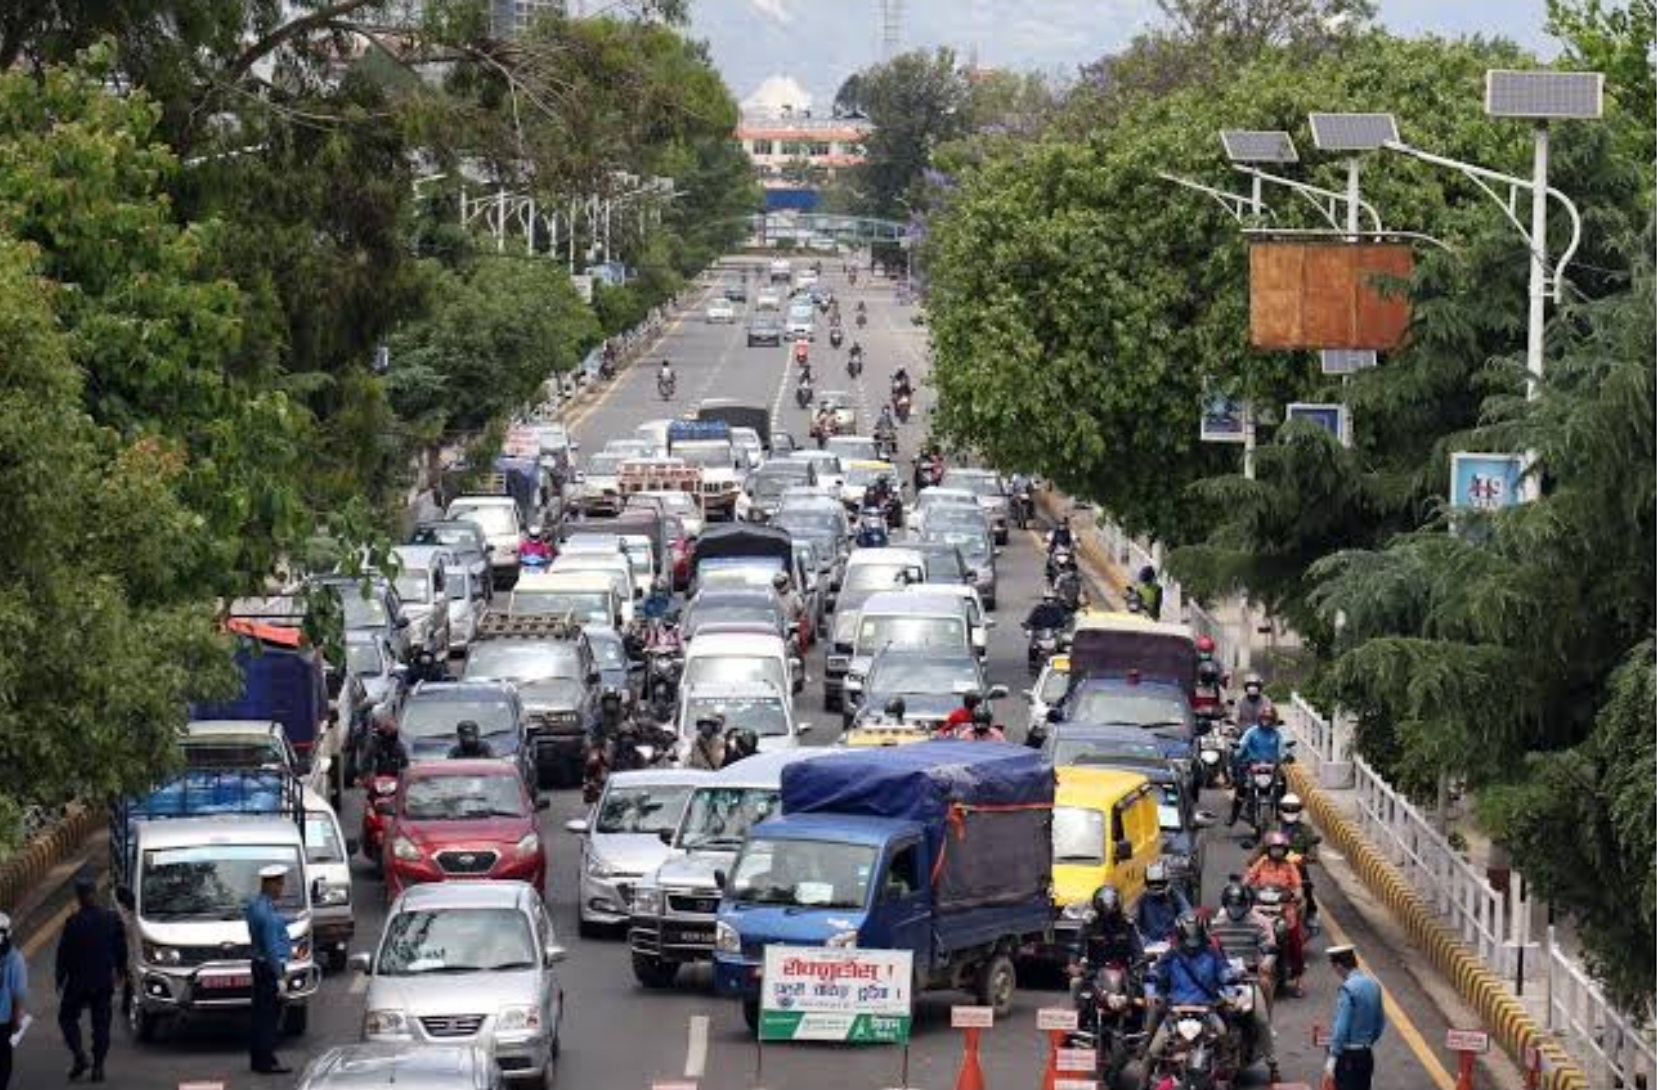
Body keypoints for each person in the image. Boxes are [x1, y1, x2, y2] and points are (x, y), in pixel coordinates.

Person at [1143, 913, 1237, 1084]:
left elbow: (1226, 973)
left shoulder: (1212, 953)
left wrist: (1230, 992)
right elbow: (1153, 974)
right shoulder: (1171, 955)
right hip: (1175, 1014)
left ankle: (1225, 1075)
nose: (1192, 946)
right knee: (1152, 1053)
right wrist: (1150, 991)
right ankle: (1142, 1085)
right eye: (1188, 940)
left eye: (1196, 939)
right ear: (1179, 937)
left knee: (1223, 1034)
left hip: (1206, 1011)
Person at [1208, 881, 1280, 1082]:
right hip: (1222, 982)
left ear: (1247, 905)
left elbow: (1269, 948)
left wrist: (1266, 961)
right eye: (1232, 905)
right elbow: (1208, 951)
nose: (1236, 909)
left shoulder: (1257, 924)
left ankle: (1273, 1065)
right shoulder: (1216, 925)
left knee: (1262, 1021)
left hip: (1248, 980)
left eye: (1239, 905)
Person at [55, 875, 126, 1083]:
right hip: (103, 981)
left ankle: (79, 1056)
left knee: (66, 1018)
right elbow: (121, 949)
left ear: (78, 898)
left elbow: (63, 954)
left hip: (78, 982)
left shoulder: (73, 922)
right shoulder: (112, 919)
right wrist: (120, 972)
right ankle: (98, 1067)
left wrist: (60, 979)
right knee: (101, 1025)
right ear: (95, 893)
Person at [245, 865, 293, 1075]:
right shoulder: (268, 915)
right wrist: (280, 977)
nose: (282, 888)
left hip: (258, 965)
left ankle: (258, 1059)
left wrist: (296, 917)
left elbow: (275, 922)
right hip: (270, 967)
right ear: (270, 884)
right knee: (269, 1018)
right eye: (279, 883)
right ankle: (267, 1062)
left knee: (259, 1015)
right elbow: (272, 948)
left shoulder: (256, 906)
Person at [1244, 832, 1306, 995]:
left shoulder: (1289, 865)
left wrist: (1297, 893)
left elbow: (1298, 884)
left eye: (1280, 849)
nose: (1277, 852)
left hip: (1285, 909)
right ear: (1268, 850)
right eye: (1274, 849)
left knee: (1295, 942)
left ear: (1285, 850)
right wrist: (1244, 887)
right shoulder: (1262, 863)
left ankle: (1298, 980)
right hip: (1261, 908)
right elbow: (1249, 877)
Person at [1067, 885, 1144, 1004]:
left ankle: (1130, 1009)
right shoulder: (1090, 924)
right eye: (1104, 907)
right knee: (1076, 983)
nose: (1108, 912)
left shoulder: (1127, 924)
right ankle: (1082, 1017)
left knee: (1144, 987)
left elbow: (1138, 949)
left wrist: (1141, 966)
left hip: (1123, 969)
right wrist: (1073, 963)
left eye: (1112, 907)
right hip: (1095, 969)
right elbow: (1077, 945)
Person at [1324, 946, 1385, 1090]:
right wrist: (1366, 1042)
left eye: (1334, 968)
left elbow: (1341, 1028)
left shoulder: (1347, 989)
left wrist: (1332, 1058)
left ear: (1339, 966)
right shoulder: (1374, 985)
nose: (1335, 972)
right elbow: (1380, 1022)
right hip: (1366, 1055)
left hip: (1348, 1058)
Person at [1228, 702, 1287, 825]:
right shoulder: (1252, 731)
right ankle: (1233, 816)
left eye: (1269, 718)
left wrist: (1286, 756)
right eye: (1264, 718)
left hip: (1271, 766)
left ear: (1273, 719)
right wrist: (1237, 750)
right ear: (1260, 718)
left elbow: (1282, 749)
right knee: (1241, 787)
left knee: (1282, 783)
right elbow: (1243, 743)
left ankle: (1280, 811)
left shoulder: (1277, 733)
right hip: (1252, 765)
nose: (1266, 720)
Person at [1275, 793, 1322, 929]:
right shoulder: (1274, 827)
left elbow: (1312, 846)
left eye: (1293, 809)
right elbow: (1263, 843)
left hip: (1297, 867)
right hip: (1275, 865)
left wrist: (1311, 857)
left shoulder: (1305, 830)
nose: (1290, 812)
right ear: (1281, 809)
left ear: (1299, 811)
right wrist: (1253, 858)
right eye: (1287, 809)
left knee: (1307, 887)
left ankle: (1311, 913)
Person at [1133, 862, 1192, 945]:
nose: (1156, 886)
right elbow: (1133, 924)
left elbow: (1187, 913)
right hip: (1150, 946)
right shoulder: (1143, 900)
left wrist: (1180, 928)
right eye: (1152, 883)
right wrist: (1145, 941)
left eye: (1159, 882)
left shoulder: (1174, 896)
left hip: (1172, 943)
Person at [0, 911, 26, 1090]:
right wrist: (17, 1020)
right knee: (3, 1060)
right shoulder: (15, 959)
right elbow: (18, 994)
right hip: (3, 1021)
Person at [363, 714, 409, 778]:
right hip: (377, 779)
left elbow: (404, 764)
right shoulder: (374, 744)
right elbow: (366, 763)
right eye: (386, 729)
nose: (388, 732)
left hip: (394, 780)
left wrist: (404, 774)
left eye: (391, 729)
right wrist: (366, 775)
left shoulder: (398, 746)